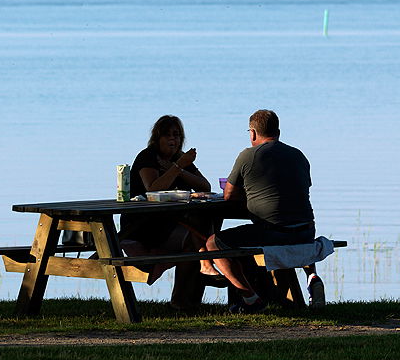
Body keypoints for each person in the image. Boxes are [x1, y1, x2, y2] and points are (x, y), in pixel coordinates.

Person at [201, 108, 319, 313]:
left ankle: (250, 298)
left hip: (274, 232)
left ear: (253, 133)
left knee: (213, 243)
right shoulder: (298, 155)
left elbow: (229, 195)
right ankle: (307, 279)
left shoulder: (248, 155)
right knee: (243, 240)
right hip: (306, 231)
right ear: (278, 132)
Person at [119, 115, 212, 272]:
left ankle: (188, 290)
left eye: (176, 135)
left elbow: (205, 186)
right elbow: (153, 189)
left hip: (170, 220)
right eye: (167, 135)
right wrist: (177, 167)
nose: (172, 139)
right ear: (157, 138)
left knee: (205, 222)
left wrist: (180, 169)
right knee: (195, 235)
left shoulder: (179, 158)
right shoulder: (148, 156)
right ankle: (206, 266)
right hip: (143, 224)